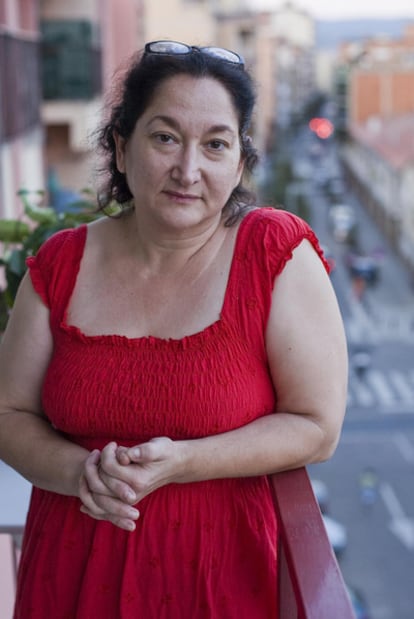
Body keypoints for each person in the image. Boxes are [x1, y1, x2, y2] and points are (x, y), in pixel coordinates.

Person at [0, 40, 348, 618]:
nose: (189, 170)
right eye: (165, 137)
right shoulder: (61, 262)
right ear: (120, 144)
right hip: (70, 574)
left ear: (238, 163)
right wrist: (80, 474)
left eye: (215, 144)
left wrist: (184, 461)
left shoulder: (273, 251)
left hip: (219, 583)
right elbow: (7, 413)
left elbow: (318, 426)